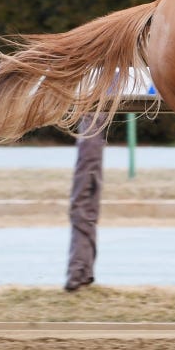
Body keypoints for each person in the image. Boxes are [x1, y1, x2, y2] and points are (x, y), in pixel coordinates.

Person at [64, 114, 105, 292]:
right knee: (84, 200)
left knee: (82, 202)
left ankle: (79, 272)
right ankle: (81, 271)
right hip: (93, 116)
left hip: (92, 114)